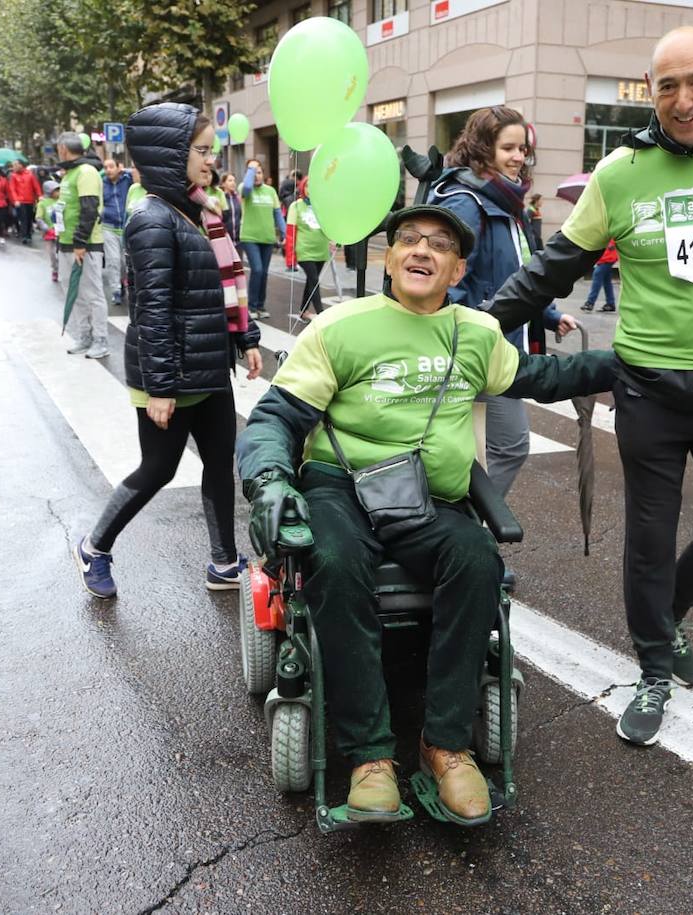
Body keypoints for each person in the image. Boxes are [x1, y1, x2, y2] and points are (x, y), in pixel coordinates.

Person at [237, 203, 615, 825]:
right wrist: (272, 480)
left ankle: (445, 744)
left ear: (458, 267)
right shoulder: (340, 327)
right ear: (388, 258)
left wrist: (627, 364)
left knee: (476, 559)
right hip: (341, 487)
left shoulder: (474, 333)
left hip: (430, 499)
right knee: (330, 557)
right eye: (408, 239)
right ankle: (368, 757)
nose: (421, 251)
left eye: (438, 245)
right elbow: (277, 418)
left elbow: (542, 374)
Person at [489, 27, 693, 746]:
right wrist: (481, 321)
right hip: (650, 392)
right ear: (649, 90)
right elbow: (553, 268)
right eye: (668, 85)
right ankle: (654, 666)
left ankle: (669, 617)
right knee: (648, 539)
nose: (684, 99)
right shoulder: (621, 171)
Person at [74, 103, 263, 600]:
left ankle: (223, 562)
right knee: (158, 469)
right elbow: (152, 310)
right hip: (168, 375)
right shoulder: (151, 219)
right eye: (201, 150)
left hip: (208, 367)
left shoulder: (202, 212)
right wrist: (160, 387)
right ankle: (95, 547)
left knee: (221, 463)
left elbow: (217, 287)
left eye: (212, 151)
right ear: (170, 155)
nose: (210, 160)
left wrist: (246, 337)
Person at [429, 105, 578, 498]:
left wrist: (547, 315)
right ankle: (466, 534)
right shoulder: (468, 202)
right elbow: (447, 286)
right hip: (477, 347)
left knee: (471, 450)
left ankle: (461, 540)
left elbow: (518, 272)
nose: (518, 157)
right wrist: (463, 340)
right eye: (508, 148)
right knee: (510, 445)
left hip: (498, 341)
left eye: (523, 149)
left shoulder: (506, 202)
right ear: (482, 149)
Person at [56, 132, 109, 359]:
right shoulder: (69, 173)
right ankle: (84, 335)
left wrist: (80, 242)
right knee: (72, 292)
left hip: (85, 245)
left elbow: (89, 208)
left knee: (92, 293)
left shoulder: (86, 172)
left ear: (64, 149)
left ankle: (100, 339)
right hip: (66, 242)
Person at [239, 158, 285, 320]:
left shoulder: (271, 191)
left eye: (259, 172)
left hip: (267, 238)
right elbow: (247, 187)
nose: (257, 175)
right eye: (253, 172)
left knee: (264, 273)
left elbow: (277, 213)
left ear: (263, 174)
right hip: (249, 237)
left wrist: (286, 233)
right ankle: (251, 306)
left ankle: (260, 305)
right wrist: (250, 170)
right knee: (257, 270)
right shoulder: (245, 188)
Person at [284, 176, 333, 319]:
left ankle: (303, 311)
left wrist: (336, 239)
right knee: (314, 280)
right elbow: (290, 232)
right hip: (304, 250)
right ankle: (321, 315)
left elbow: (330, 226)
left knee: (312, 280)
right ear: (302, 188)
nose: (310, 189)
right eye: (307, 186)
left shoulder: (322, 205)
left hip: (321, 250)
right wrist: (290, 257)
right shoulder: (296, 206)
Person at [101, 157, 132, 306]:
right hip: (108, 227)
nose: (108, 170)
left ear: (119, 167)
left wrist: (126, 170)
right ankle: (116, 291)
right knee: (113, 261)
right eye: (105, 167)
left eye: (111, 166)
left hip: (126, 227)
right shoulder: (101, 183)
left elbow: (137, 173)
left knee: (124, 261)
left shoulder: (128, 180)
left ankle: (123, 281)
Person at [34, 180, 62, 281]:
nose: (58, 192)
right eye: (56, 190)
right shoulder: (43, 203)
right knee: (52, 253)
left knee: (63, 253)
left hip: (62, 230)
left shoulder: (62, 201)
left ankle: (64, 269)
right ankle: (55, 269)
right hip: (49, 232)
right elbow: (39, 218)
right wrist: (45, 227)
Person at [9, 160, 41, 245]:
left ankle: (28, 234)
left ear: (21, 165)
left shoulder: (30, 174)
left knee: (29, 218)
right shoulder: (13, 176)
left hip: (30, 200)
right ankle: (24, 236)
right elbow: (13, 189)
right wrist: (16, 200)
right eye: (13, 165)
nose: (14, 167)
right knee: (23, 219)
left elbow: (36, 186)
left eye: (15, 165)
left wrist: (39, 196)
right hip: (20, 201)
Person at [581, 239, 618, 312]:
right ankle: (610, 304)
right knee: (606, 281)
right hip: (608, 257)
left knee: (597, 279)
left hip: (606, 258)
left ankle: (590, 303)